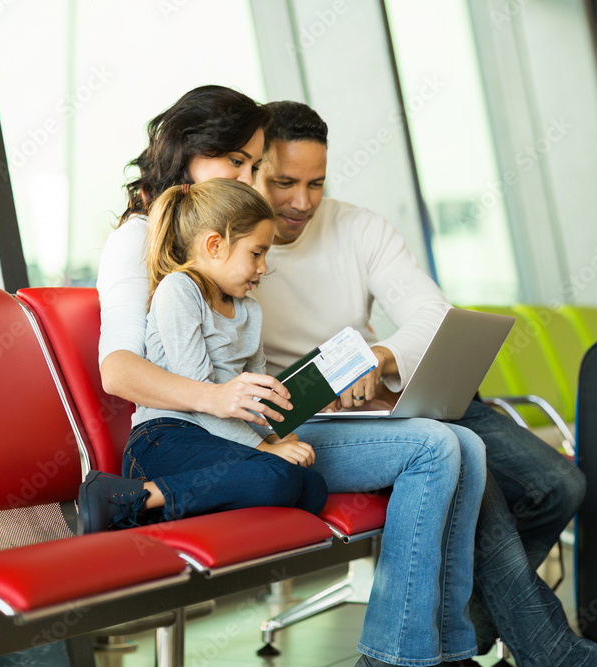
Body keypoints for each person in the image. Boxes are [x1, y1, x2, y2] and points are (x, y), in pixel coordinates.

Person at [97, 85, 487, 667]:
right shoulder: (143, 242)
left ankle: (449, 653)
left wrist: (346, 379)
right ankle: (398, 656)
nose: (253, 181)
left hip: (266, 417)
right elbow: (118, 370)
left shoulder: (237, 261)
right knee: (435, 447)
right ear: (188, 154)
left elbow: (252, 363)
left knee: (468, 446)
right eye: (238, 163)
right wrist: (228, 402)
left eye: (256, 167)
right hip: (197, 428)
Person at [253, 101, 597, 667]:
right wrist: (331, 381)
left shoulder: (357, 226)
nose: (302, 202)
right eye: (284, 182)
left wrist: (380, 357)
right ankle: (551, 653)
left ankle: (464, 625)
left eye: (315, 182)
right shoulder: (237, 245)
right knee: (465, 470)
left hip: (398, 391)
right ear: (253, 169)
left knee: (558, 486)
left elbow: (432, 312)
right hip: (322, 415)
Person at [80, 178, 328, 532]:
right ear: (215, 245)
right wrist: (265, 450)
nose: (262, 268)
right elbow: (203, 399)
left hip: (218, 440)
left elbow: (258, 401)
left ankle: (150, 509)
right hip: (165, 438)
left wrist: (276, 439)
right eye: (256, 253)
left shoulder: (250, 311)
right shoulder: (179, 291)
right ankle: (130, 495)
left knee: (312, 486)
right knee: (276, 474)